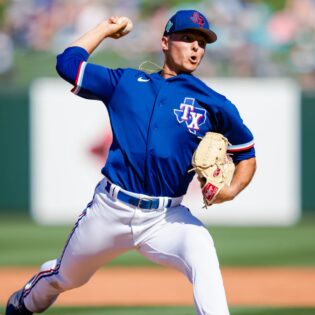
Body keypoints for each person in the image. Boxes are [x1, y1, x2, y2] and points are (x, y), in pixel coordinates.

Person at [6, 9, 256, 315]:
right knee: (67, 277)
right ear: (165, 42)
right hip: (110, 209)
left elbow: (246, 153)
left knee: (202, 250)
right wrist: (104, 29)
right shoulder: (126, 82)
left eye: (202, 43)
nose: (196, 48)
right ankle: (26, 302)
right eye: (188, 38)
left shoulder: (213, 102)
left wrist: (230, 190)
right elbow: (68, 65)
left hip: (167, 217)